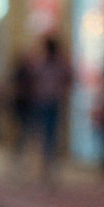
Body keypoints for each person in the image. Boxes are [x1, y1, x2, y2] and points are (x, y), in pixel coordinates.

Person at [31, 36, 71, 179]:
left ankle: (49, 162)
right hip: (46, 101)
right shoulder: (46, 63)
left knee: (50, 132)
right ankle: (47, 162)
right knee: (47, 132)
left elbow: (68, 77)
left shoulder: (56, 63)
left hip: (51, 101)